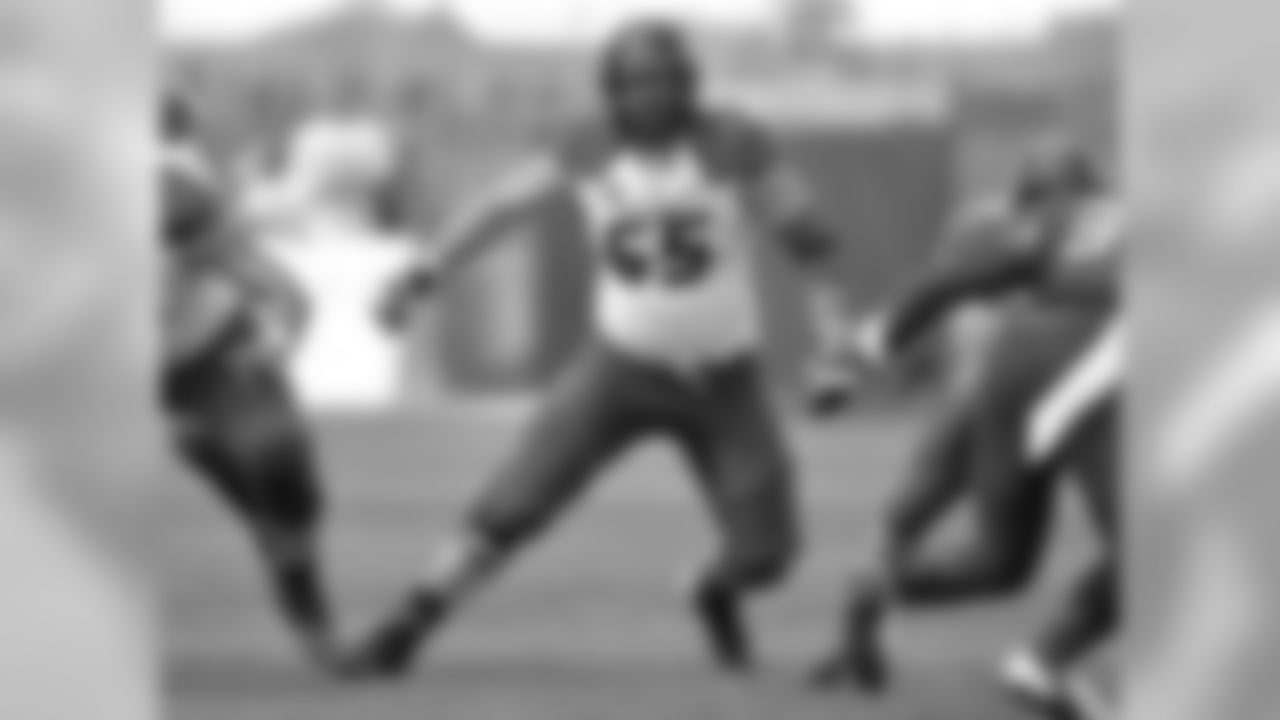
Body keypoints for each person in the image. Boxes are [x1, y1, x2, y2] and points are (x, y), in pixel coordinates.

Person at [346, 19, 850, 678]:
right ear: (613, 92)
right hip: (623, 364)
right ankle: (407, 625)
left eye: (665, 82)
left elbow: (810, 241)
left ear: (688, 86)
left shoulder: (733, 142)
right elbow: (502, 208)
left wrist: (837, 345)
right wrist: (425, 271)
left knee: (768, 555)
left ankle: (710, 590)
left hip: (726, 376)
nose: (652, 98)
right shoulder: (588, 144)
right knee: (513, 503)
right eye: (638, 85)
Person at [809, 140, 1121, 720]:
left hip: (1005, 374)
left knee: (996, 560)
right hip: (1083, 361)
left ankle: (877, 585)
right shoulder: (1103, 215)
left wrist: (856, 356)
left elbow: (939, 287)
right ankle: (1044, 661)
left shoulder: (1022, 223)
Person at [160, 93, 338, 669]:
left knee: (279, 466)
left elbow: (283, 289)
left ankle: (302, 595)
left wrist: (280, 337)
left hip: (209, 355)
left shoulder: (173, 192)